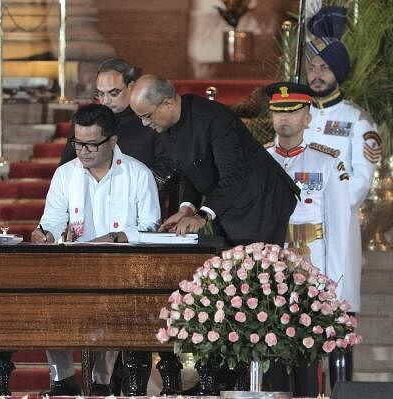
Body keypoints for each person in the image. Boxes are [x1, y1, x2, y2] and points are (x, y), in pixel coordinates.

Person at [31, 103, 161, 396]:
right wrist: (45, 235)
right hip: (73, 268)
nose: (83, 151)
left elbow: (152, 227)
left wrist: (118, 237)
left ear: (112, 141)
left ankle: (101, 382)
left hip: (123, 270)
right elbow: (52, 220)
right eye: (78, 143)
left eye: (92, 145)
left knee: (112, 298)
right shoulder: (65, 175)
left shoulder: (138, 174)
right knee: (48, 297)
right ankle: (62, 379)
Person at [304, 5, 382, 388]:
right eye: (312, 67)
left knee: (337, 322)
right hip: (296, 231)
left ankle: (340, 393)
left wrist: (321, 206)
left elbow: (360, 182)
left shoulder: (357, 121)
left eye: (325, 68)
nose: (317, 75)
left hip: (336, 231)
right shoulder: (296, 117)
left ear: (339, 71)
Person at [129, 74, 300, 246]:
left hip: (260, 201)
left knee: (254, 268)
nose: (144, 124)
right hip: (226, 203)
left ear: (168, 103)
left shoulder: (213, 118)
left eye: (147, 116)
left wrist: (202, 216)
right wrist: (186, 209)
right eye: (140, 117)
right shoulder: (165, 124)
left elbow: (233, 175)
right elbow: (190, 168)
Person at [265, 82, 352, 396]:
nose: (284, 118)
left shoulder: (327, 161)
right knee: (270, 348)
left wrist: (334, 285)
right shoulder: (261, 160)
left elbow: (339, 227)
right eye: (278, 111)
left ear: (307, 117)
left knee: (307, 354)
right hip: (270, 265)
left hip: (312, 263)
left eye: (293, 111)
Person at [59, 58, 174, 189]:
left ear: (131, 86)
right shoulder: (87, 120)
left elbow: (166, 166)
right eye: (100, 94)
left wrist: (133, 188)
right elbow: (67, 165)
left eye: (113, 93)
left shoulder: (150, 119)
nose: (105, 100)